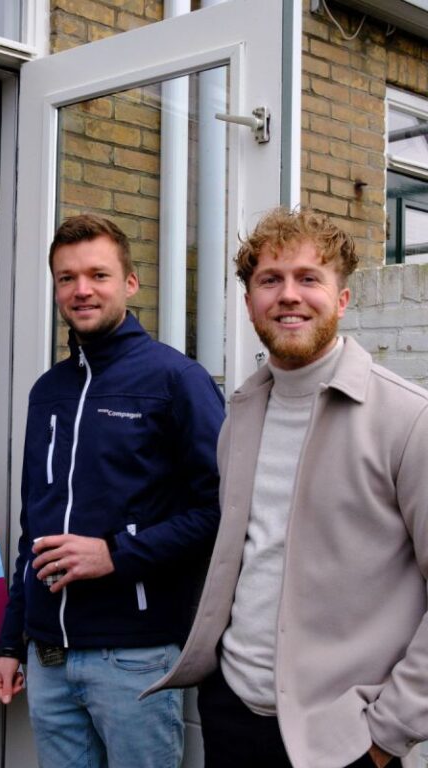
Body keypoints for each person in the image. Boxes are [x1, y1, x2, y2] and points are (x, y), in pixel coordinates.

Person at [145, 207, 428, 768]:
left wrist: (386, 734)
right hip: (232, 714)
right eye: (270, 280)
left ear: (342, 300)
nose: (288, 295)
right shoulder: (241, 415)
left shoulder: (407, 419)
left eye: (309, 278)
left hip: (341, 740)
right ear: (249, 301)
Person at [0, 214, 225, 768]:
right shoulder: (48, 390)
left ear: (130, 283)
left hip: (134, 657)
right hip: (47, 658)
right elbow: (34, 529)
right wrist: (9, 641)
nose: (82, 290)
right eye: (67, 278)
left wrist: (114, 553)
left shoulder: (176, 380)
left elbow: (220, 510)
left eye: (98, 274)